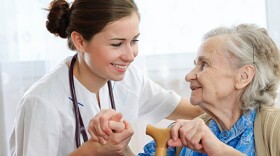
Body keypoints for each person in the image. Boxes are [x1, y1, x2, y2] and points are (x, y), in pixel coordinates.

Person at [9, 0, 202, 155]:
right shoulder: (42, 102)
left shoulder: (129, 79)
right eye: (117, 44)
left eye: (134, 41)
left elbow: (194, 111)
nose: (130, 55)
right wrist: (91, 150)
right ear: (80, 42)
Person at [139, 24, 280, 156]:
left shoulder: (275, 128)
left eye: (204, 65)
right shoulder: (182, 134)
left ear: (243, 76)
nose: (189, 76)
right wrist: (121, 149)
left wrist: (220, 151)